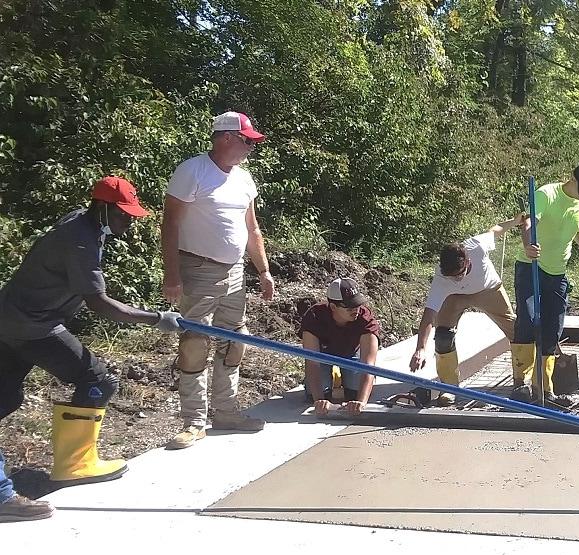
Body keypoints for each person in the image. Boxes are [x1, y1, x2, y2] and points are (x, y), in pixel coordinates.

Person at [0, 176, 183, 520]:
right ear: (102, 208)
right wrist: (157, 318)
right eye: (124, 215)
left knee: (6, 398)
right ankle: (73, 465)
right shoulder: (81, 240)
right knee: (97, 378)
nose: (129, 222)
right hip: (33, 325)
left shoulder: (81, 222)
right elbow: (100, 304)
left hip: (13, 319)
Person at [161, 111, 273, 450]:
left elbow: (252, 229)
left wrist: (264, 271)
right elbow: (170, 225)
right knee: (196, 342)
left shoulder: (243, 179)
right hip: (197, 269)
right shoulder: (192, 171)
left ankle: (226, 410)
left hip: (235, 270)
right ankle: (193, 421)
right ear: (226, 137)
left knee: (234, 340)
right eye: (246, 140)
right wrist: (172, 275)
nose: (251, 147)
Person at [409, 216, 524, 406]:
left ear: (468, 262)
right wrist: (420, 348)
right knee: (443, 336)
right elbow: (430, 314)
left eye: (459, 275)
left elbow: (495, 230)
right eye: (452, 277)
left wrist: (516, 221)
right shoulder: (442, 277)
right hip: (455, 297)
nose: (457, 279)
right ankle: (449, 388)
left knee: (518, 331)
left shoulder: (477, 247)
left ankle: (521, 382)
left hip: (488, 289)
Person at [512, 165, 579, 407]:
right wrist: (529, 245)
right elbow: (528, 224)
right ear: (572, 179)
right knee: (528, 320)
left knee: (553, 327)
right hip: (531, 268)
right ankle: (522, 383)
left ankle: (545, 387)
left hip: (557, 272)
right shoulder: (546, 194)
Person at [300, 278, 380, 417]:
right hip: (322, 356)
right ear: (333, 307)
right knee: (313, 395)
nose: (355, 310)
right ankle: (331, 386)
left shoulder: (365, 319)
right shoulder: (314, 317)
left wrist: (361, 402)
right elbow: (312, 363)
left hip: (351, 354)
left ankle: (345, 385)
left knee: (356, 393)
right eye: (349, 307)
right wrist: (319, 401)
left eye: (358, 305)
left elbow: (369, 366)